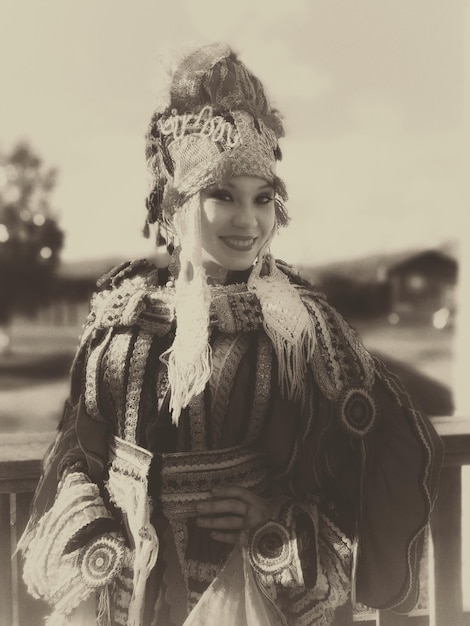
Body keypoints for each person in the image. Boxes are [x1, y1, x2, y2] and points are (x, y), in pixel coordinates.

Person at [19, 42, 443, 626]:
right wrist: (91, 514)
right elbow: (78, 439)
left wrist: (279, 514)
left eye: (263, 199)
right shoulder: (121, 306)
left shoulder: (299, 321)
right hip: (124, 592)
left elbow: (367, 455)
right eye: (223, 195)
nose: (248, 221)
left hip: (243, 588)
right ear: (179, 200)